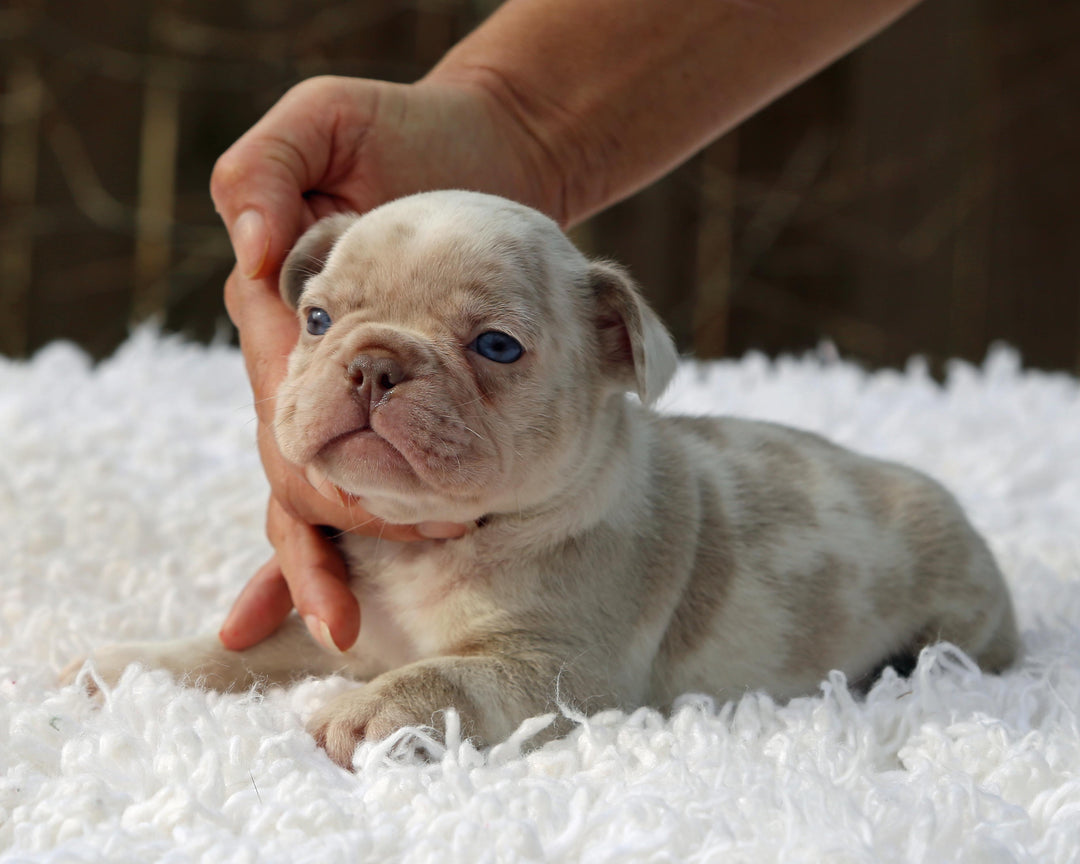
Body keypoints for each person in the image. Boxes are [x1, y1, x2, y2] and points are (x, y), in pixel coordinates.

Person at [211, 0, 923, 654]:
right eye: (323, 317)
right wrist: (503, 121)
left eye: (494, 345)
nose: (370, 374)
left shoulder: (607, 527)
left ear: (619, 350)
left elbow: (561, 676)